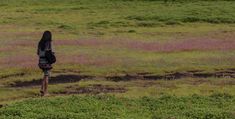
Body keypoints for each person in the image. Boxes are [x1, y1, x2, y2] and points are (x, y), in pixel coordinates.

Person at [37, 31, 54, 96]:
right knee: (47, 76)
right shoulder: (49, 43)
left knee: (45, 75)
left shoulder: (40, 43)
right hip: (47, 63)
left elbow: (38, 53)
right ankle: (45, 92)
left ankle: (41, 89)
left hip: (41, 62)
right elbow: (52, 52)